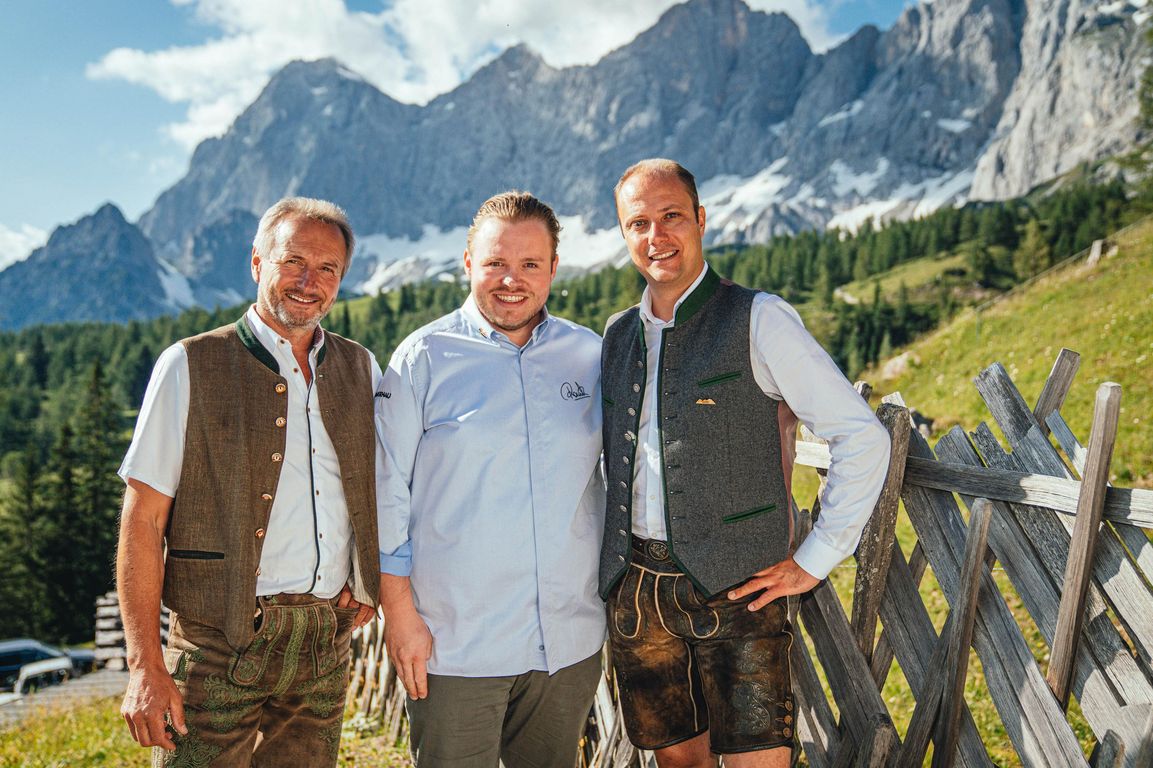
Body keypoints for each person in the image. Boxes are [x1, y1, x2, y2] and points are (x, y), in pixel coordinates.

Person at [600, 159, 891, 768]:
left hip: (739, 592)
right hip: (638, 593)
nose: (657, 236)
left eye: (672, 216)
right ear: (624, 234)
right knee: (678, 764)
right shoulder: (618, 334)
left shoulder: (759, 317)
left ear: (701, 219)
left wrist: (815, 559)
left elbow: (861, 437)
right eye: (639, 223)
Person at [116, 197, 381, 767]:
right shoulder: (189, 364)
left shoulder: (362, 367)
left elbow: (380, 488)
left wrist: (366, 577)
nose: (309, 282)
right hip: (216, 644)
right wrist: (144, 665)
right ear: (257, 262)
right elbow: (143, 521)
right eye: (293, 261)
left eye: (328, 268)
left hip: (324, 640)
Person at [377, 191, 605, 768]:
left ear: (553, 268)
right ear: (467, 263)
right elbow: (384, 494)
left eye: (530, 264)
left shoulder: (589, 355)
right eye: (496, 263)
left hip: (567, 642)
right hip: (455, 643)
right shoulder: (422, 357)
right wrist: (399, 616)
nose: (512, 280)